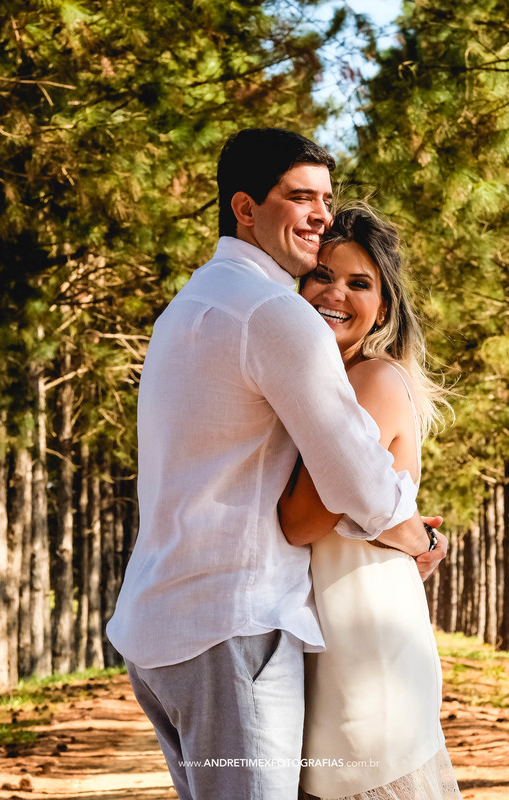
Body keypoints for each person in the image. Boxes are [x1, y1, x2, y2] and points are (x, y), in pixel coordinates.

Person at [106, 128, 446, 800]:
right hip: (234, 625)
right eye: (300, 197)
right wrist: (418, 536)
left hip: (164, 632)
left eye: (325, 197)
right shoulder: (273, 315)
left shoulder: (191, 304)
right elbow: (352, 481)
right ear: (244, 207)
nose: (320, 214)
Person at [279, 206, 461, 800]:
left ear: (381, 309)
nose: (336, 293)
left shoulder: (372, 382)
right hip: (324, 638)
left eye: (360, 284)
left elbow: (301, 520)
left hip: (366, 645)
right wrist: (412, 532)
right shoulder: (315, 384)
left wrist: (414, 535)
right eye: (322, 276)